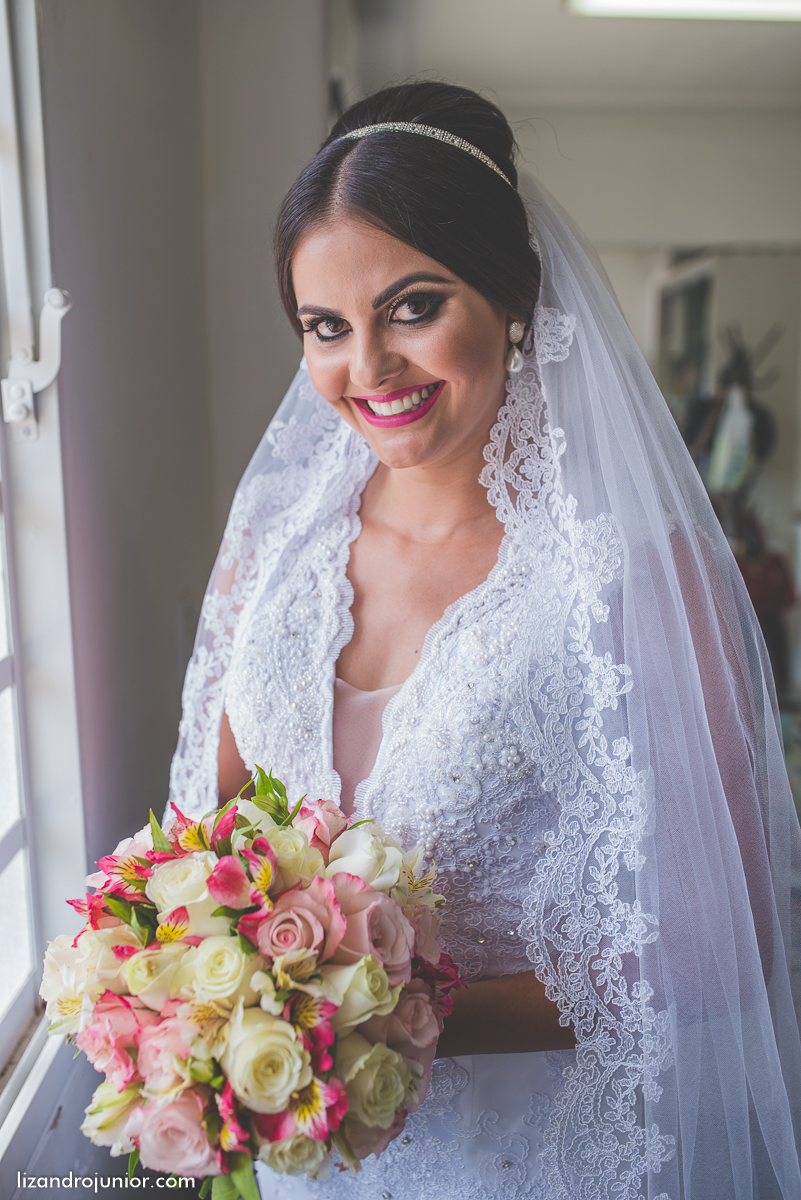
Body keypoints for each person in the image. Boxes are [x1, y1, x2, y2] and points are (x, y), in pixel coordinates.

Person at [169, 82, 801, 1199]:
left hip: (528, 1161)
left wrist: (378, 1019)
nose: (367, 369)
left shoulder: (637, 574)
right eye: (326, 327)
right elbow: (201, 836)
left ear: (509, 297)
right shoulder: (273, 547)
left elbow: (724, 948)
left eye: (412, 307)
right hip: (312, 1161)